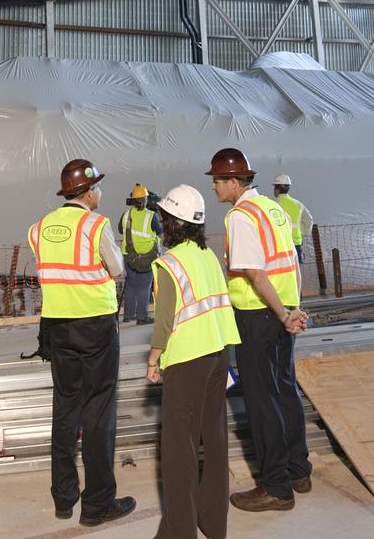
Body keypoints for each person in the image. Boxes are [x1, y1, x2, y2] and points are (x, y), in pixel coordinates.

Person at [28, 159, 135, 527]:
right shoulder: (96, 224)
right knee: (98, 412)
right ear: (89, 191)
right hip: (95, 327)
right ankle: (98, 503)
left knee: (65, 408)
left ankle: (64, 497)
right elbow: (118, 268)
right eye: (98, 186)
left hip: (57, 326)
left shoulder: (39, 228)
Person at [207, 148, 310, 513]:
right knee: (284, 390)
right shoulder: (272, 209)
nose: (215, 188)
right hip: (282, 314)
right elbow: (293, 259)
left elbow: (254, 272)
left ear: (234, 182)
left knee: (262, 402)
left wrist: (283, 314)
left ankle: (276, 488)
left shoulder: (240, 217)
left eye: (217, 181)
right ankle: (299, 471)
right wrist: (294, 307)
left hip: (259, 316)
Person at [145, 185, 240, 539]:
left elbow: (165, 319)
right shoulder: (208, 255)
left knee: (178, 449)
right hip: (219, 354)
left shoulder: (169, 263)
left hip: (187, 358)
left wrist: (154, 359)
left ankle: (179, 531)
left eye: (162, 216)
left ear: (170, 222)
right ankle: (214, 524)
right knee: (214, 440)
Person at [119, 183, 162, 324]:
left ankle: (128, 315)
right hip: (146, 257)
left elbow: (120, 230)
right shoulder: (151, 216)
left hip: (128, 256)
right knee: (145, 286)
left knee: (131, 284)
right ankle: (142, 317)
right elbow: (159, 231)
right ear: (145, 200)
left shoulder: (126, 215)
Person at [272, 174, 313, 264]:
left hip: (281, 245)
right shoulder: (298, 204)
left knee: (284, 272)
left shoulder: (274, 205)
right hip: (297, 244)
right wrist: (302, 232)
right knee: (296, 273)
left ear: (277, 188)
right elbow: (309, 221)